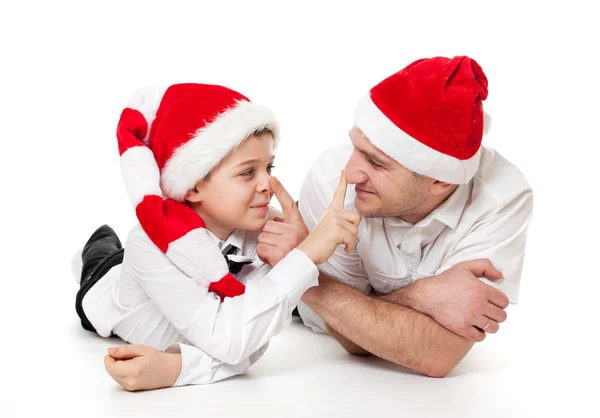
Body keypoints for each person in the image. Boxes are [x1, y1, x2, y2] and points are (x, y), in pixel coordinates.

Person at [71, 83, 361, 391]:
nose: (268, 183)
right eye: (248, 172)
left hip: (174, 274)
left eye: (269, 167)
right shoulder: (148, 245)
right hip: (108, 281)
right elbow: (233, 340)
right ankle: (95, 247)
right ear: (193, 186)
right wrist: (306, 256)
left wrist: (175, 368)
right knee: (101, 252)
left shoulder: (266, 229)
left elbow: (250, 339)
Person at [287, 55, 534, 377]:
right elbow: (351, 339)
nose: (349, 172)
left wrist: (319, 288)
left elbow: (439, 354)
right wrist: (425, 295)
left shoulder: (502, 198)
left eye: (376, 163)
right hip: (293, 306)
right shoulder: (330, 179)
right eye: (355, 147)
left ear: (441, 180)